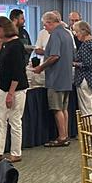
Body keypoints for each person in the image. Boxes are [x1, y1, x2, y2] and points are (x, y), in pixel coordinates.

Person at [33, 11, 74, 147]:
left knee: (57, 109)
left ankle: (62, 137)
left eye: (45, 25)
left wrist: (41, 67)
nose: (45, 29)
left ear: (50, 23)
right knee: (64, 108)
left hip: (56, 77)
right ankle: (65, 135)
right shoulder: (67, 33)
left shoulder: (56, 34)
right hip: (66, 77)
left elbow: (55, 55)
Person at [0, 16, 28, 162]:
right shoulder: (5, 44)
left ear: (5, 29)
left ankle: (16, 152)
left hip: (16, 89)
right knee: (0, 120)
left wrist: (10, 94)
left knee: (14, 120)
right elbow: (4, 65)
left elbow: (17, 72)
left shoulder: (16, 46)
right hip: (4, 87)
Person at [72, 20, 92, 116]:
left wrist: (73, 63)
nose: (76, 35)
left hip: (85, 79)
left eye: (77, 32)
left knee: (86, 110)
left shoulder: (85, 45)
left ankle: (88, 126)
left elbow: (87, 64)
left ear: (83, 31)